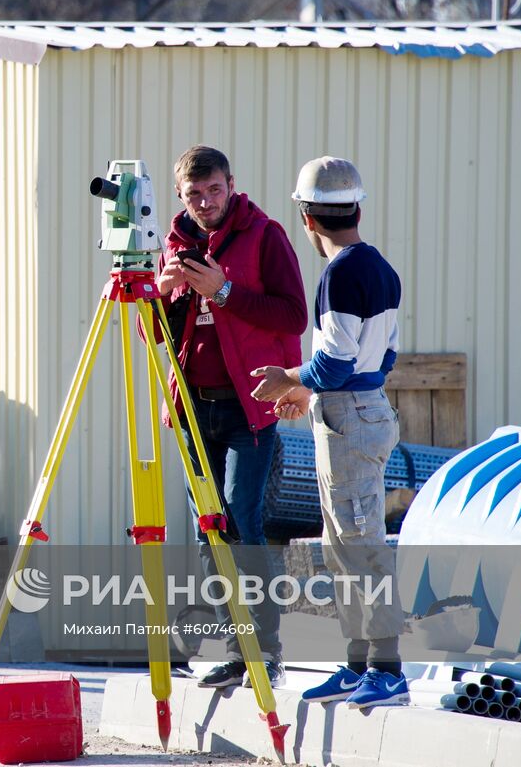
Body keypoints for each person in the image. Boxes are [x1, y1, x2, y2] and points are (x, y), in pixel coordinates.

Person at [249, 156, 408, 709]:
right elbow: (382, 357)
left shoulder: (339, 274)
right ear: (356, 209)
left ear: (307, 218)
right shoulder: (380, 268)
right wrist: (312, 389)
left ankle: (387, 670)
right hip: (361, 408)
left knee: (360, 544)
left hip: (348, 416)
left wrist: (290, 379)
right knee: (343, 545)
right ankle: (360, 664)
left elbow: (335, 362)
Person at [150, 145, 307, 691]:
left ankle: (267, 651)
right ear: (180, 195)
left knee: (241, 519)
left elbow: (294, 315)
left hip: (249, 405)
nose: (205, 202)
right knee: (207, 526)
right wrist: (163, 291)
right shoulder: (174, 243)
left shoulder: (263, 235)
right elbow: (153, 334)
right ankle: (237, 650)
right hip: (194, 406)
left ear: (231, 185)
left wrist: (224, 290)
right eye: (194, 194)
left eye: (214, 190)